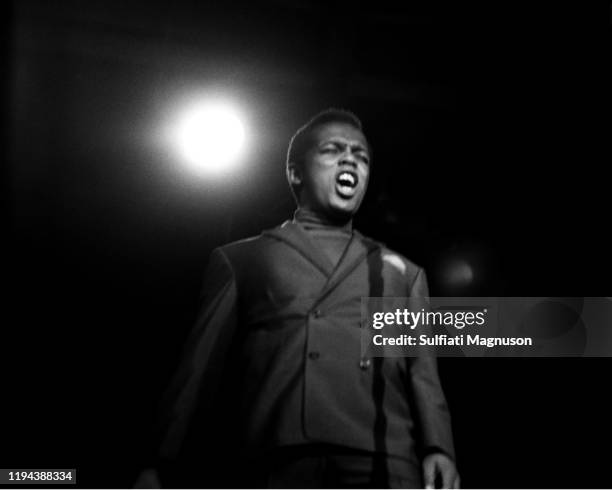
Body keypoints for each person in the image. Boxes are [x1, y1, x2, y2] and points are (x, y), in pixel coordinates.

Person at [136, 109, 459, 489]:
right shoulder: (244, 259)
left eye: (361, 156)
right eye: (332, 150)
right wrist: (160, 460)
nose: (349, 159)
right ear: (295, 172)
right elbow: (198, 369)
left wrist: (439, 447)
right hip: (278, 454)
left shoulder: (400, 272)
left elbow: (422, 373)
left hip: (383, 457)